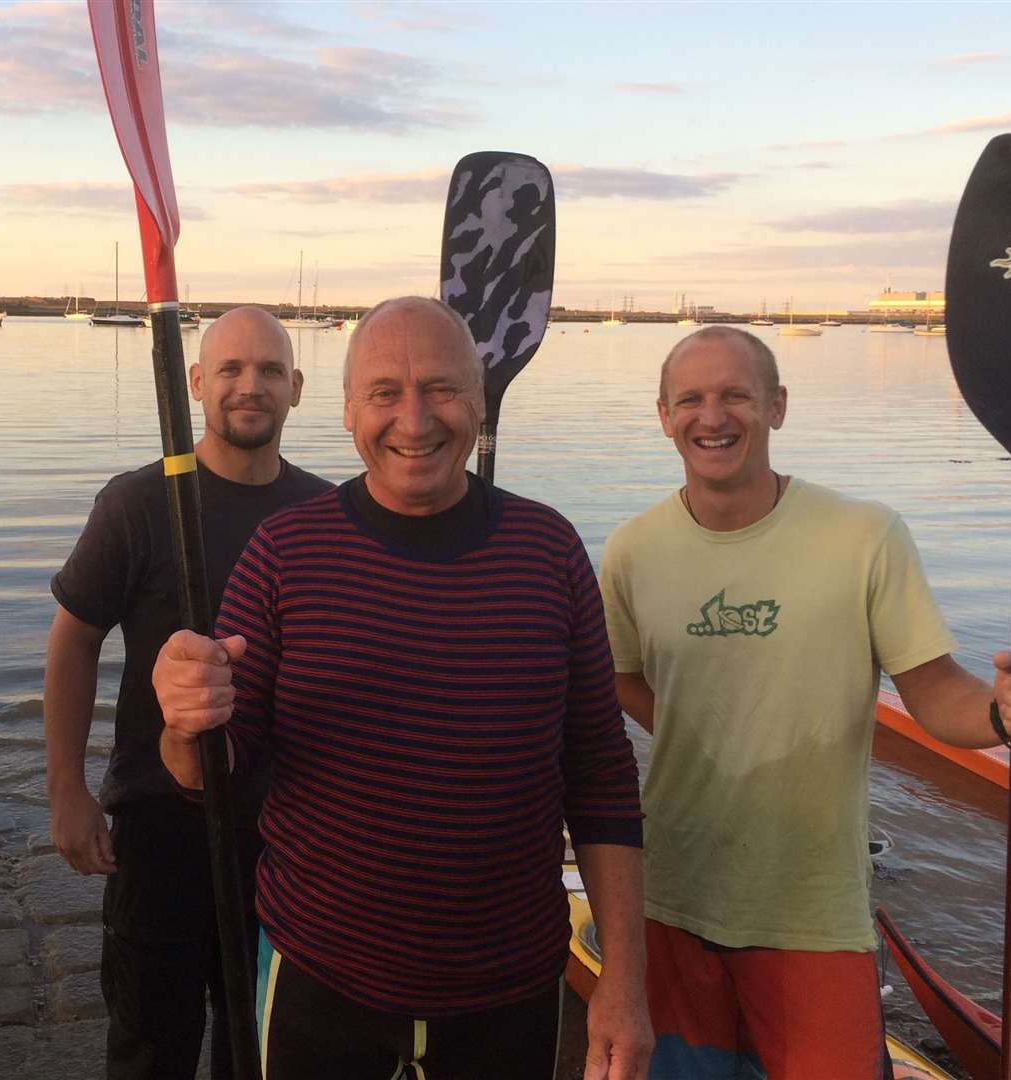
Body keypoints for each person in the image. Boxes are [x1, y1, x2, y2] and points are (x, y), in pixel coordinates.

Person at [152, 296, 653, 1080]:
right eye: (384, 392)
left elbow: (599, 775)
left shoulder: (546, 550)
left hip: (508, 987)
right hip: (319, 979)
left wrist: (622, 980)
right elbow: (218, 774)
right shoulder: (284, 551)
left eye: (442, 389)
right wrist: (186, 723)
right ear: (348, 409)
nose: (413, 421)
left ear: (479, 400)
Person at [598, 325, 1011, 1079]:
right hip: (673, 898)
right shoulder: (630, 552)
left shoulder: (862, 536)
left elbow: (933, 691)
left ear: (777, 407)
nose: (711, 417)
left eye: (735, 397)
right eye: (689, 399)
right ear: (663, 415)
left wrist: (999, 713)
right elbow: (617, 675)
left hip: (812, 910)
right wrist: (710, 734)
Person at [44, 306, 330, 1080]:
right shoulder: (139, 503)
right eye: (231, 369)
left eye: (270, 370)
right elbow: (74, 637)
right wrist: (67, 790)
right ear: (196, 382)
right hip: (158, 824)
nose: (250, 386)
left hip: (286, 831)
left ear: (296, 388)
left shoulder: (327, 516)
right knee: (149, 1045)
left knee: (263, 1045)